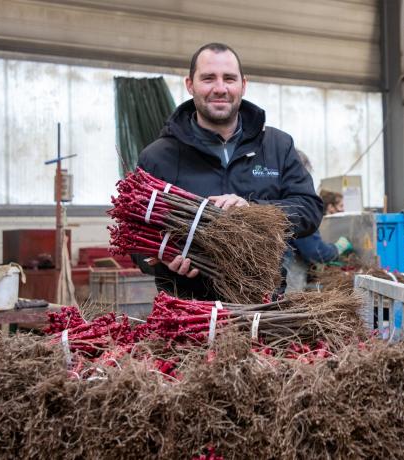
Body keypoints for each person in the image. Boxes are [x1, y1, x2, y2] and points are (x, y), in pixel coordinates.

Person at [135, 42, 323, 299]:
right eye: (209, 78)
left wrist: (252, 210)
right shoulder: (158, 157)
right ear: (190, 85)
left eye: (229, 79)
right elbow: (133, 234)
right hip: (184, 317)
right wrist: (161, 256)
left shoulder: (277, 146)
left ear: (243, 85)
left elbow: (309, 209)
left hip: (263, 311)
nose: (220, 88)